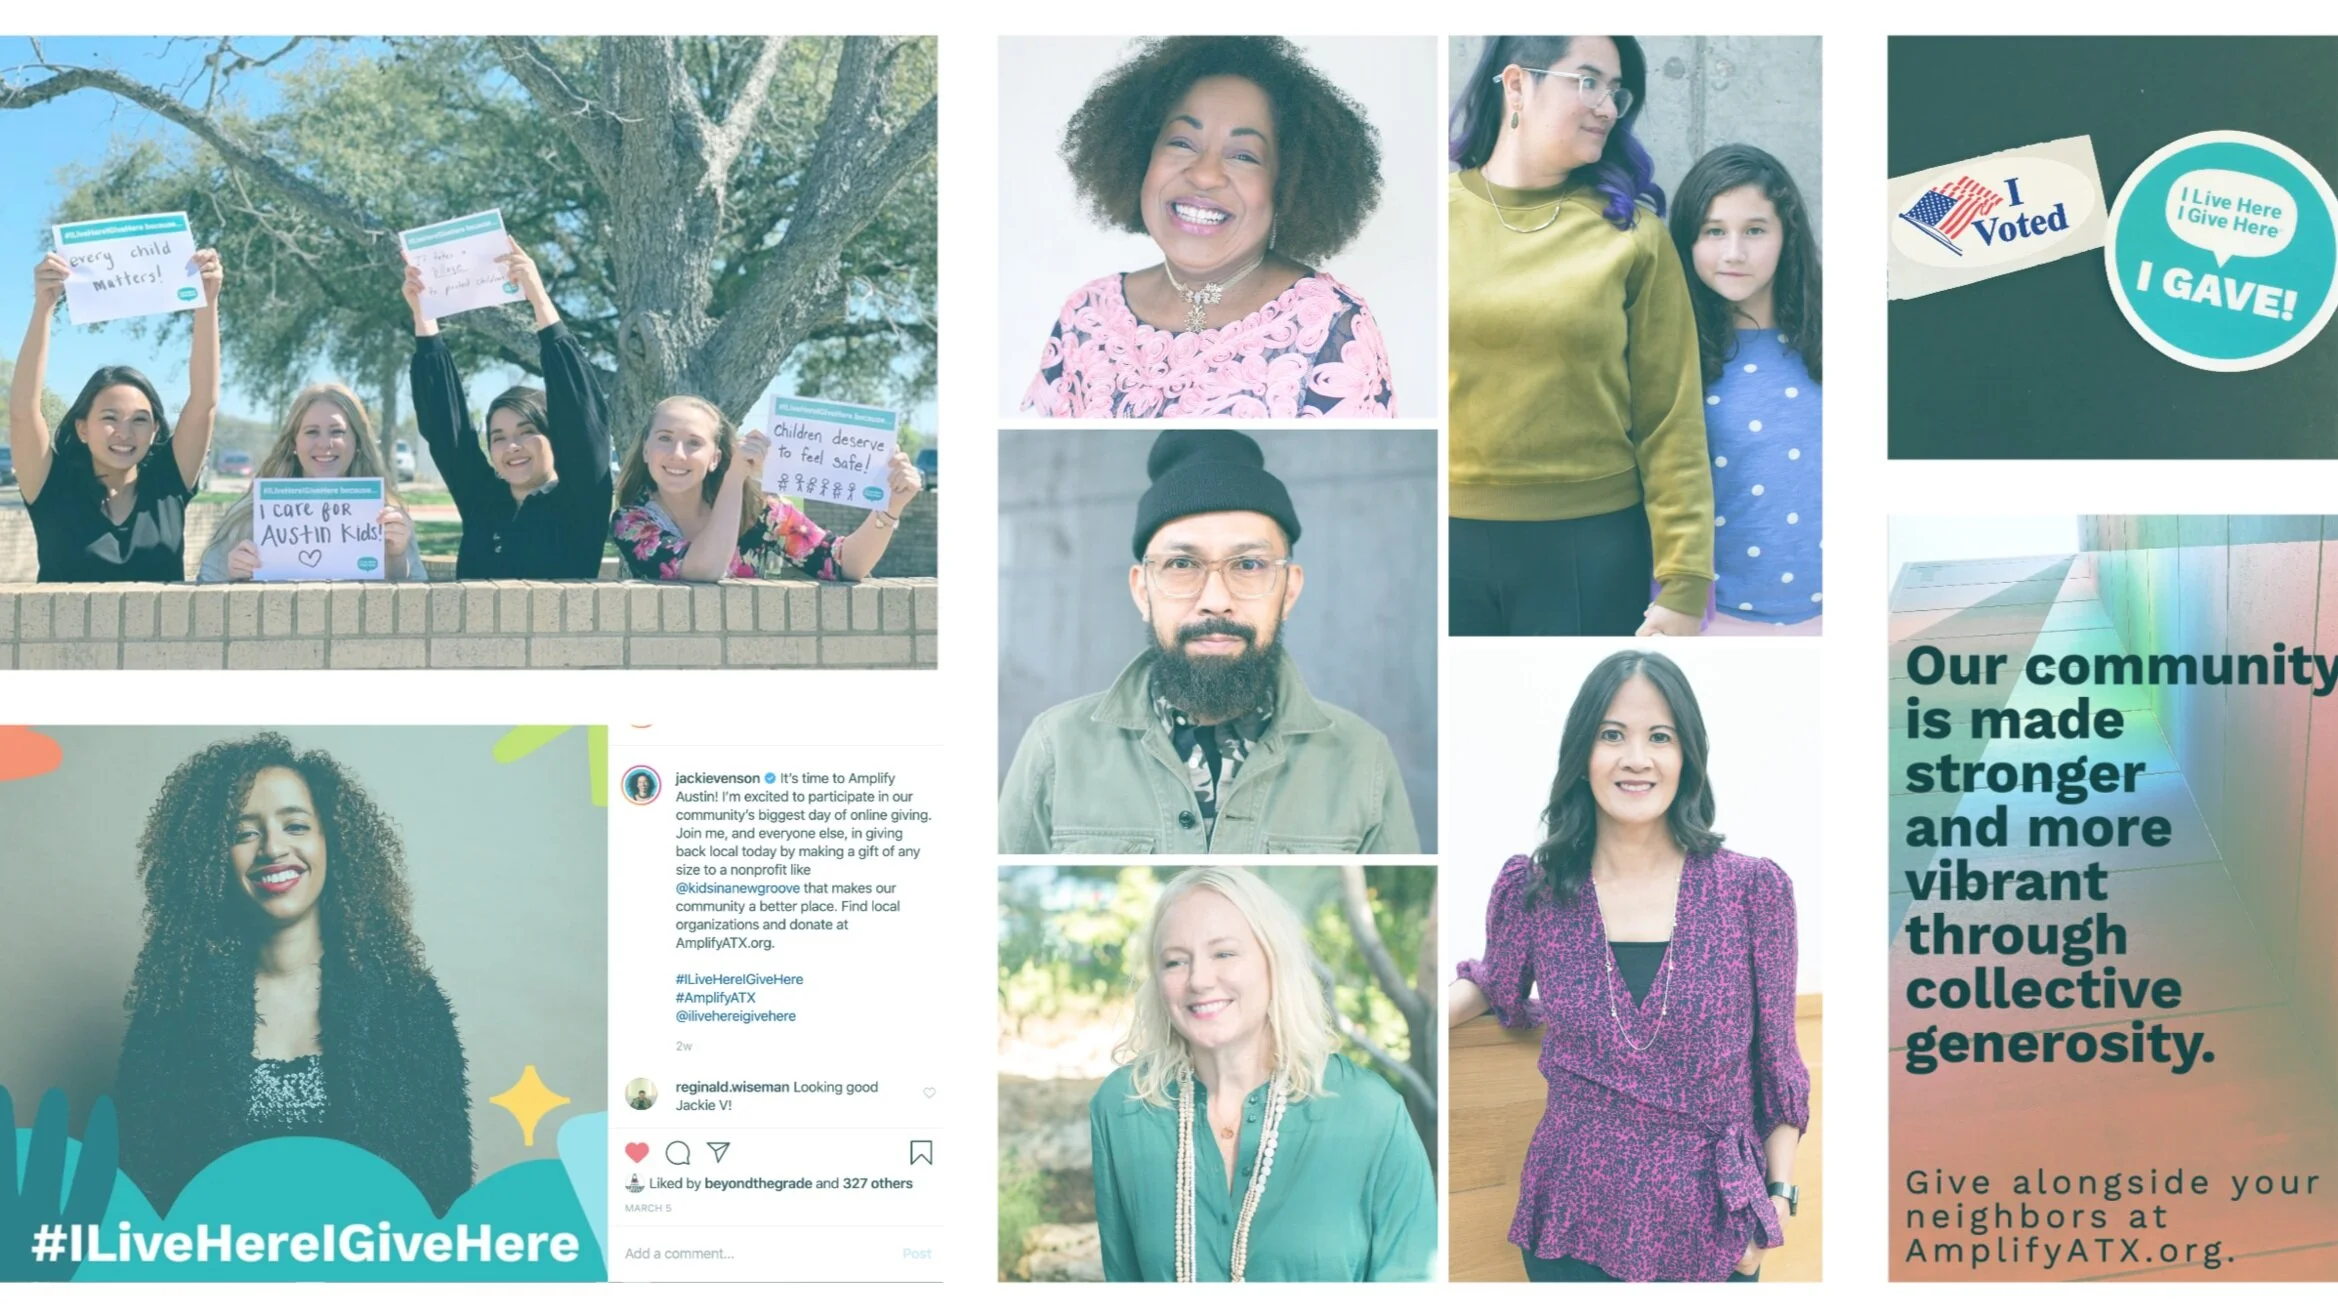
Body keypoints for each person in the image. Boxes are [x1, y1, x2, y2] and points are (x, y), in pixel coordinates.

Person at [1449, 651, 1807, 1281]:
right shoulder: (1536, 891)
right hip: (1570, 1220)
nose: (1635, 757)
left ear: (1686, 757)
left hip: (1714, 1224)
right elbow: (1496, 985)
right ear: (1581, 757)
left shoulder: (1753, 891)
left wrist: (1777, 1203)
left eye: (1659, 737)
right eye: (1612, 735)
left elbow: (1779, 1070)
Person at [999, 430, 1417, 854]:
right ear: (1142, 590)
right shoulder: (1056, 747)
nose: (1216, 601)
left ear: (1288, 590)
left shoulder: (1363, 757)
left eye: (1249, 565)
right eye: (1182, 564)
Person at [113, 733, 472, 1215]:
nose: (273, 848)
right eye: (244, 833)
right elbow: (142, 1197)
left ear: (332, 841)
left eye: (296, 826)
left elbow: (443, 1198)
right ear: (210, 861)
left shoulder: (409, 1004)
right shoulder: (170, 1012)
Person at [1447, 36, 1711, 637]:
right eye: (1587, 81)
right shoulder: (1436, 220)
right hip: (1444, 541)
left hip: (1591, 549)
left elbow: (1671, 414)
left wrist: (1686, 581)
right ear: (1517, 84)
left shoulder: (1634, 233)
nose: (1609, 107)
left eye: (1616, 91)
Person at [1090, 866, 1435, 1281]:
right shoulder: (1122, 1110)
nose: (1199, 980)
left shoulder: (1372, 1112)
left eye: (1224, 953)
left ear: (1275, 962)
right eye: (1175, 961)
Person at [1022, 36, 1394, 419]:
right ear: (1139, 156)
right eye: (1182, 143)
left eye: (1244, 155)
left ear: (1287, 184)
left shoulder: (1332, 326)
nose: (1204, 175)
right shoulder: (1087, 315)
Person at [1668, 144, 1823, 635]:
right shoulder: (1670, 353)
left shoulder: (1844, 341)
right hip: (1716, 621)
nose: (1733, 252)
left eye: (1754, 230)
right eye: (1714, 231)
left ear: (1786, 236)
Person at [8, 248, 222, 582]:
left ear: (154, 431)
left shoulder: (169, 484)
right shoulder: (52, 486)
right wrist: (44, 307)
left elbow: (204, 402)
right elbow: (22, 412)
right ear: (82, 428)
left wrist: (207, 303)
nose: (125, 432)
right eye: (109, 418)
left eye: (139, 420)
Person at [405, 238, 613, 579]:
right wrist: (423, 313)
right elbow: (446, 429)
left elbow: (581, 417)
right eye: (498, 437)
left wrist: (537, 296)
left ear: (554, 437)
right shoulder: (483, 500)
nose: (511, 447)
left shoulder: (582, 498)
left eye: (527, 431)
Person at [609, 395, 921, 581]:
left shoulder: (760, 509)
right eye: (664, 437)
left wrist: (890, 507)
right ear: (646, 450)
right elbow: (702, 570)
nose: (678, 454)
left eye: (694, 443)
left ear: (715, 458)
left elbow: (842, 564)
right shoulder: (632, 522)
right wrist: (735, 477)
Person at [196, 383, 423, 581]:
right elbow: (204, 590)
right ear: (294, 442)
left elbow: (417, 607)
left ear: (357, 441)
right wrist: (230, 574)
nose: (325, 444)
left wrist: (396, 558)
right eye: (312, 432)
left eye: (337, 432)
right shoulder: (250, 517)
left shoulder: (387, 518)